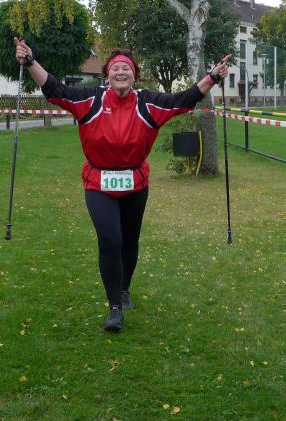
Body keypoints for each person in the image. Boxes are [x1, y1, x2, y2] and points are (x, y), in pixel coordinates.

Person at [15, 37, 231, 331]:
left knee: (129, 241)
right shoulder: (90, 100)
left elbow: (185, 98)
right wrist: (30, 62)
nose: (120, 72)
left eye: (126, 68)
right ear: (107, 74)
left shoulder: (148, 102)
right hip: (99, 183)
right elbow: (55, 89)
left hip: (135, 184)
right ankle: (115, 307)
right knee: (111, 240)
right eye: (115, 68)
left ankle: (124, 287)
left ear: (134, 75)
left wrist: (213, 77)